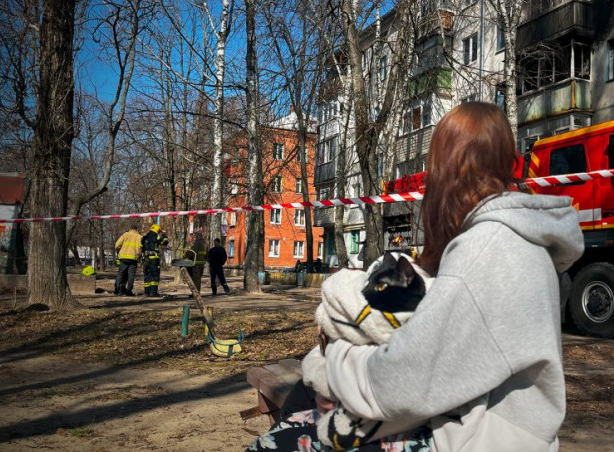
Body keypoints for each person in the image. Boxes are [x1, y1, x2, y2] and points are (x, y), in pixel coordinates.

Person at [247, 101, 584, 452]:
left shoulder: (488, 247)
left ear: (440, 172)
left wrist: (335, 364)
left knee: (280, 437)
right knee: (306, 396)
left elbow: (404, 382)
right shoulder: (519, 241)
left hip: (478, 436)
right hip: (499, 424)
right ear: (512, 166)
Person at [141, 223, 169, 297]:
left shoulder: (144, 238)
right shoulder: (157, 237)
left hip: (145, 259)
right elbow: (165, 242)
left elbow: (141, 247)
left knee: (147, 275)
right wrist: (164, 234)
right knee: (154, 275)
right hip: (154, 259)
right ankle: (153, 292)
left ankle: (146, 292)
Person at [114, 223, 142, 296]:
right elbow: (141, 248)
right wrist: (139, 255)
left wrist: (119, 250)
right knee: (131, 275)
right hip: (133, 258)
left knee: (121, 273)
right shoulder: (139, 237)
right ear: (137, 230)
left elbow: (117, 245)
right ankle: (129, 291)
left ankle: (118, 290)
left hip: (123, 257)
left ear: (130, 229)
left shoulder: (125, 234)